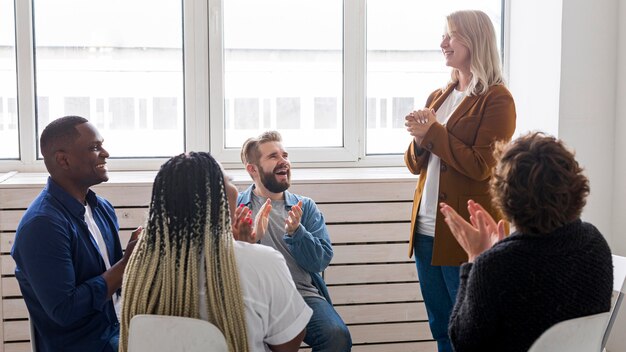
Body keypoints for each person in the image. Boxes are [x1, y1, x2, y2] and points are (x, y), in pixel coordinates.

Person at [119, 151, 312, 352]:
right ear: (216, 197)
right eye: (229, 180)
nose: (234, 187)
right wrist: (246, 250)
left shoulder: (140, 269)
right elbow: (288, 343)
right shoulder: (261, 262)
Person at [403, 10, 516, 352]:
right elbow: (413, 164)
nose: (443, 43)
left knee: (471, 332)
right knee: (441, 327)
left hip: (468, 233)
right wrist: (420, 139)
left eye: (450, 36)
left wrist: (433, 132)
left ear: (474, 40)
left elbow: (483, 165)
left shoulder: (497, 99)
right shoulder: (439, 95)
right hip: (426, 230)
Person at [439, 132, 613, 352]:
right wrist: (498, 252)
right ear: (575, 185)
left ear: (505, 196)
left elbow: (464, 343)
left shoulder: (494, 267)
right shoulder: (594, 243)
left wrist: (475, 259)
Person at [11, 116, 140, 352]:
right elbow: (66, 309)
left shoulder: (102, 208)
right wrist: (125, 265)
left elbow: (113, 288)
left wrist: (138, 261)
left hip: (117, 332)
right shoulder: (42, 226)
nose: (105, 153)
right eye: (94, 147)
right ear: (63, 160)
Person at [238, 131, 352, 352]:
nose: (284, 161)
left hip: (300, 296)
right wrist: (251, 239)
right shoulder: (238, 207)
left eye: (285, 155)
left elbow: (320, 262)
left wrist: (297, 232)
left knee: (336, 337)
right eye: (273, 156)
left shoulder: (305, 207)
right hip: (252, 297)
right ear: (252, 169)